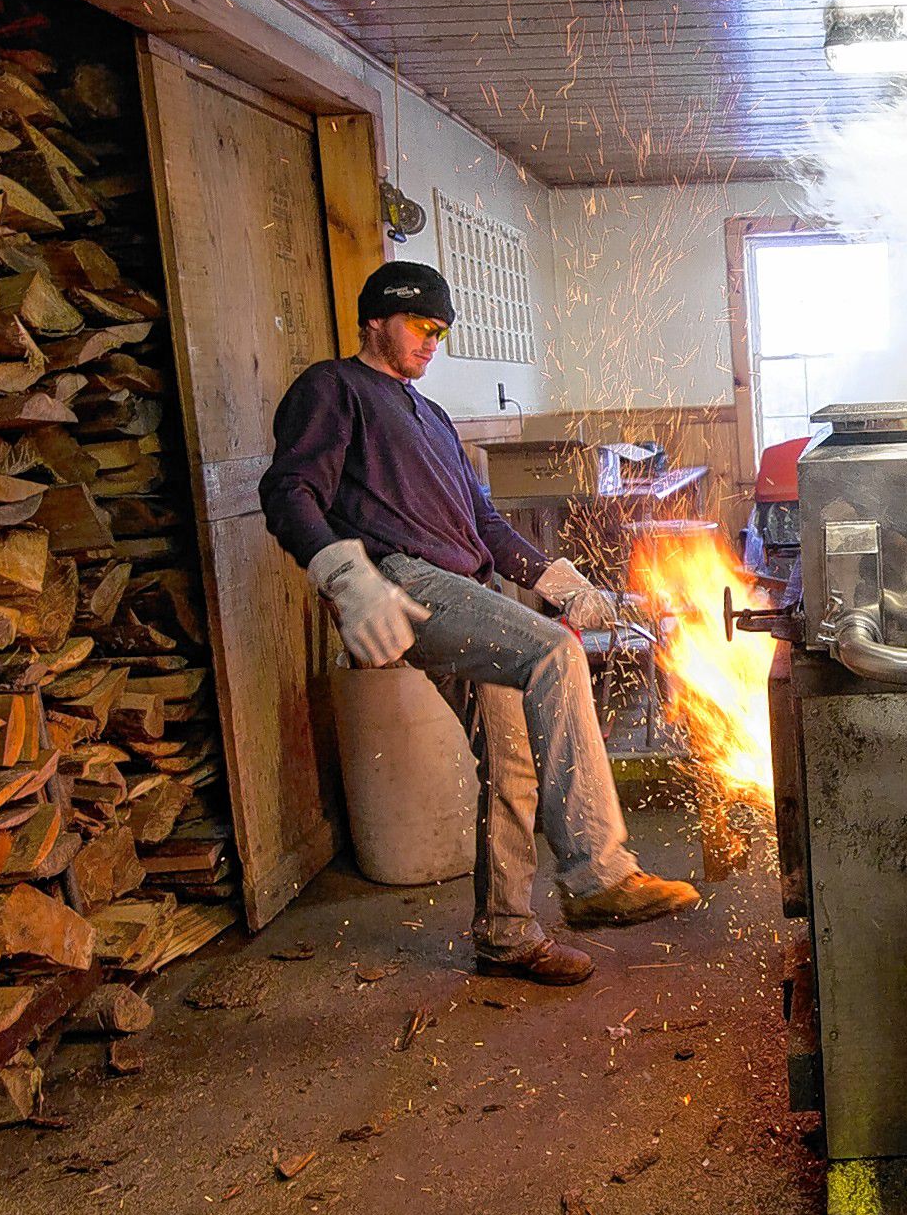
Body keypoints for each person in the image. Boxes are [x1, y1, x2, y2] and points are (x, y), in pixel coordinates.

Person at [260, 260, 698, 984]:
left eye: (442, 331)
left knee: (512, 764)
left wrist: (562, 583)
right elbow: (289, 489)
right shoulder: (332, 390)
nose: (434, 341)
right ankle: (597, 875)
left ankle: (504, 934)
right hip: (401, 580)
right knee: (556, 653)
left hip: (469, 584)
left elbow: (486, 522)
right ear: (376, 319)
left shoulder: (431, 418)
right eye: (420, 326)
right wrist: (343, 574)